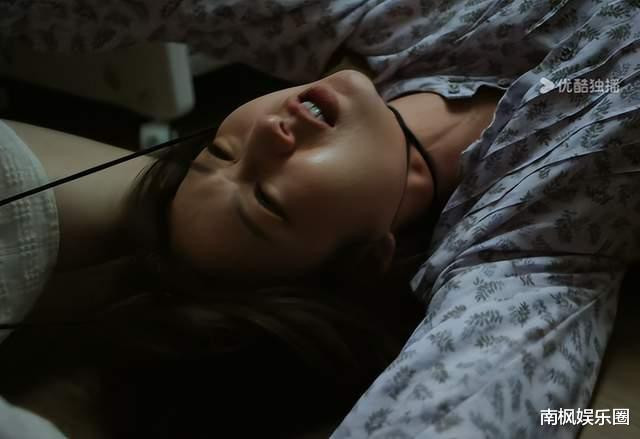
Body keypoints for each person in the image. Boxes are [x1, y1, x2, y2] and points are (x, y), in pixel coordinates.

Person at [1, 0, 640, 438]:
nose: (263, 136)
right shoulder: (523, 250)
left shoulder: (369, 24)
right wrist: (616, 419)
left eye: (220, 151)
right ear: (366, 260)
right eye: (266, 198)